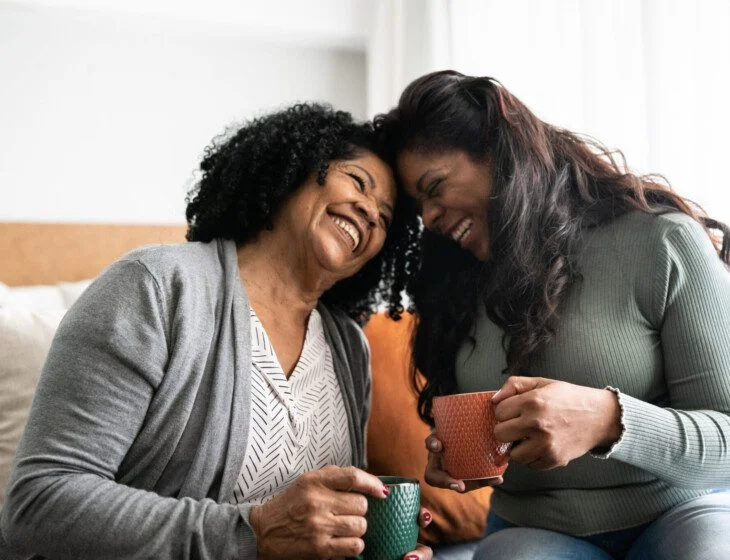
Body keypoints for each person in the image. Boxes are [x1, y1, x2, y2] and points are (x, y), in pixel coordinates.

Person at [0, 103, 432, 559]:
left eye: (384, 219)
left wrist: (373, 544)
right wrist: (252, 532)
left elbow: (326, 523)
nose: (367, 212)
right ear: (293, 171)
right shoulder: (155, 286)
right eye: (357, 182)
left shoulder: (348, 347)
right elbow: (38, 503)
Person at [374, 70, 730, 559]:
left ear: (497, 147)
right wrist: (460, 458)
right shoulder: (454, 286)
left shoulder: (660, 242)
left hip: (677, 515)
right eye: (418, 208)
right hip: (535, 529)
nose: (429, 217)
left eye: (435, 187)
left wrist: (610, 420)